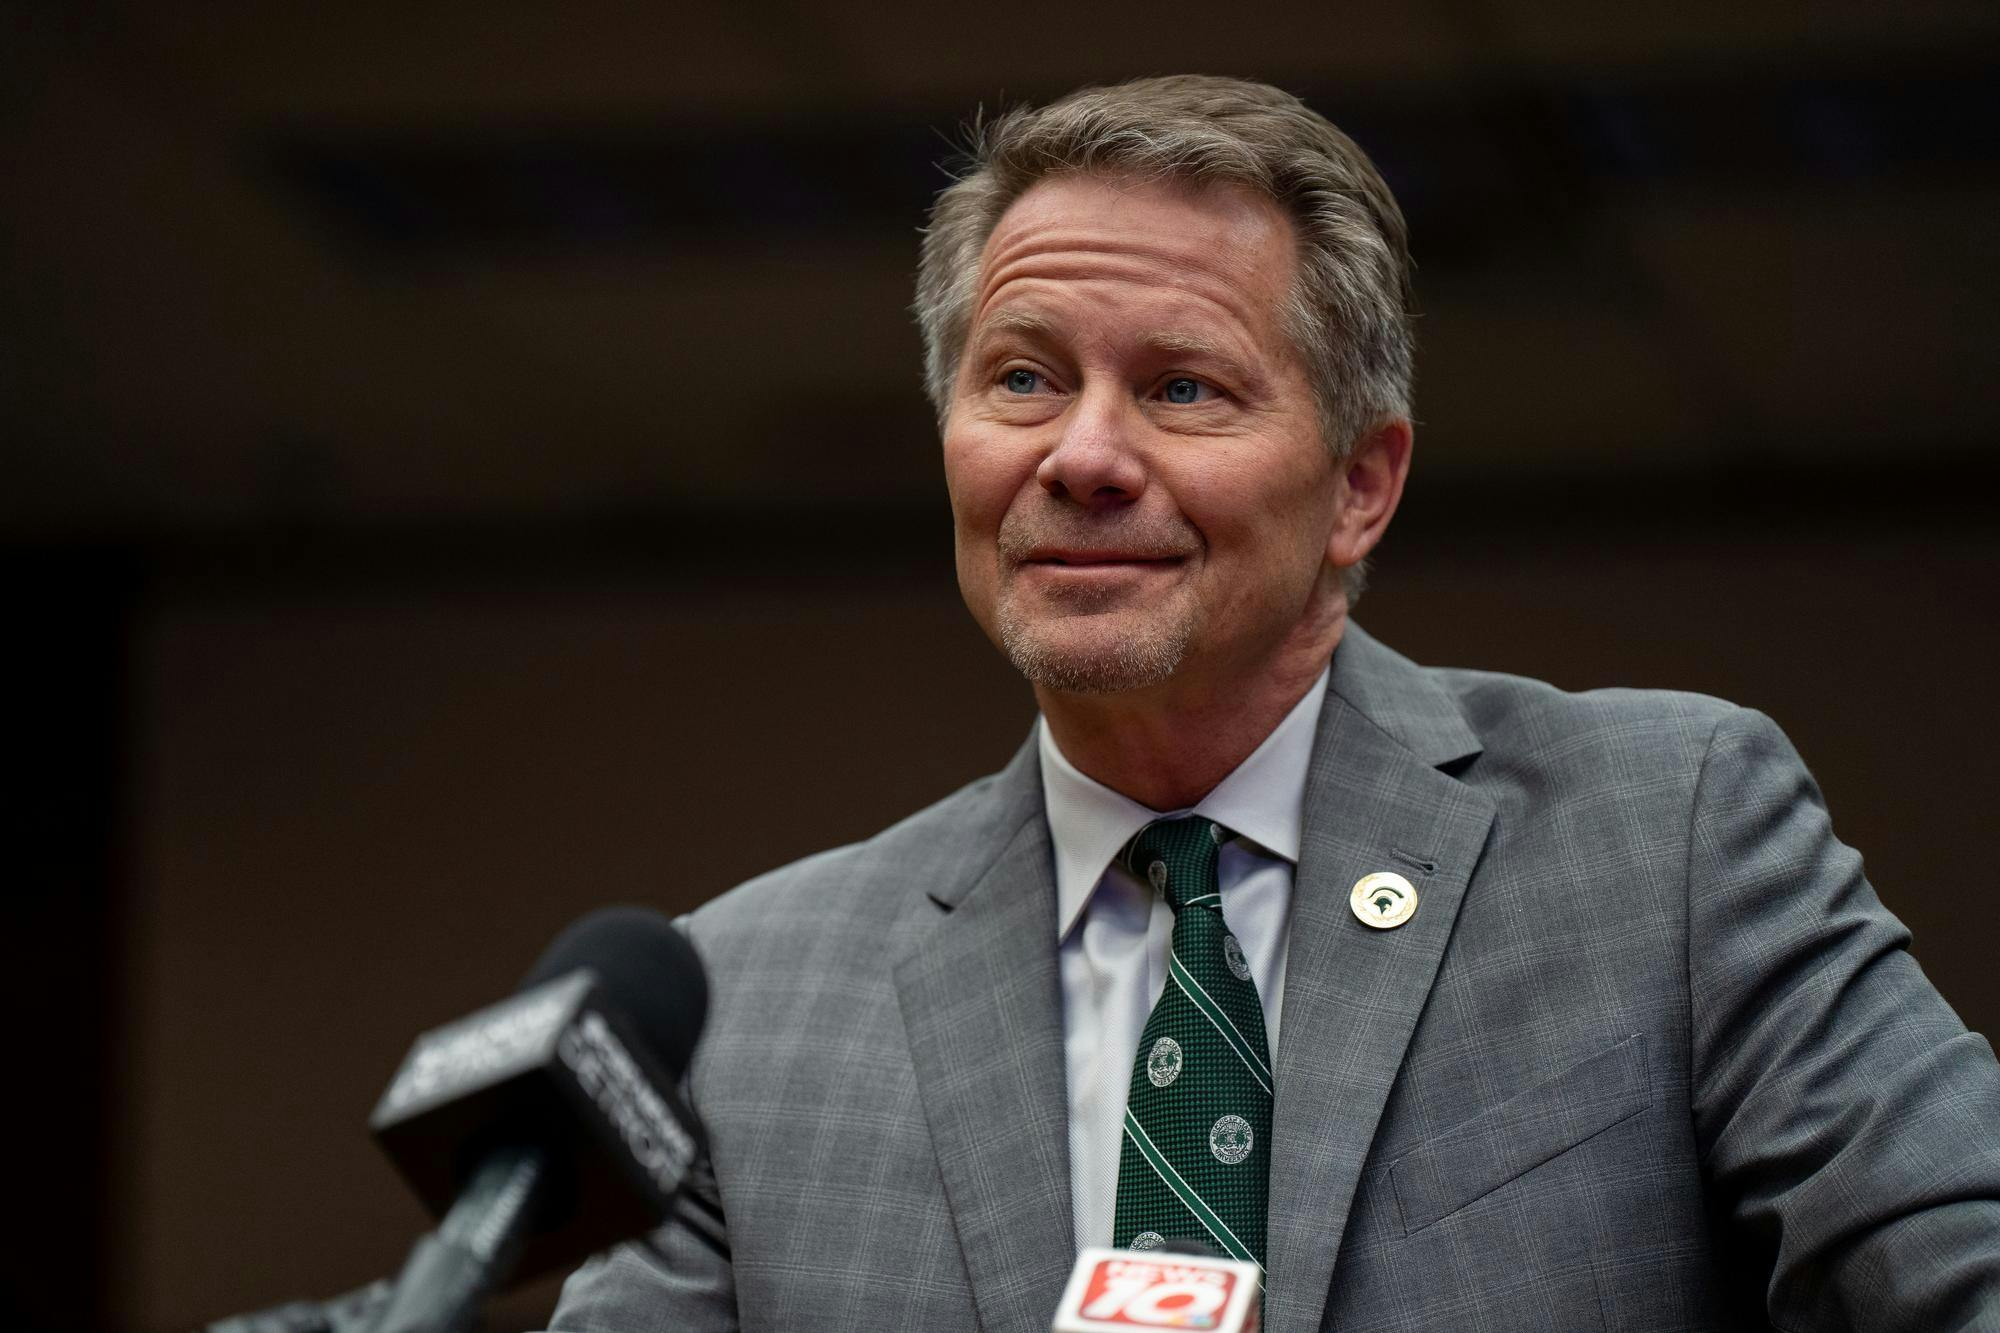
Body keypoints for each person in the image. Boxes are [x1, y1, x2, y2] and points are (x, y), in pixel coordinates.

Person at [549, 75, 2000, 1331]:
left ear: (1361, 485)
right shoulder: (737, 1004)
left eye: (1183, 389)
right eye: (1023, 378)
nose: (1084, 455)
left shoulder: (1665, 835)